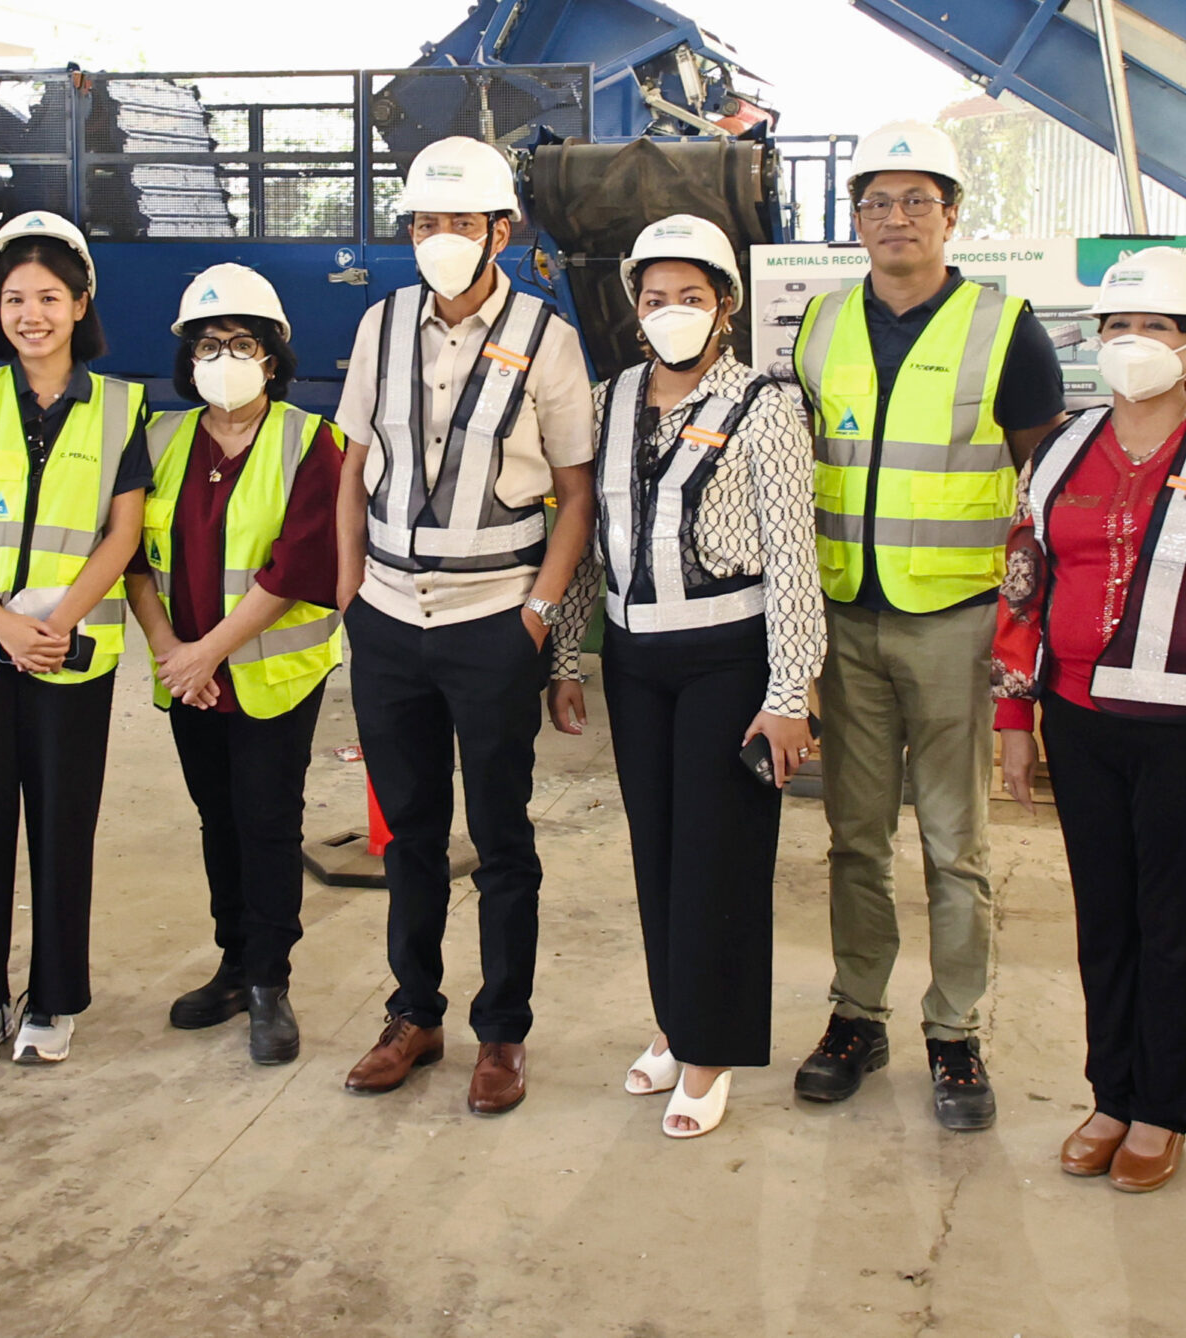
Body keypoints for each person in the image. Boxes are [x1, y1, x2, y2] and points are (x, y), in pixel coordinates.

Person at [992, 246, 1186, 1193]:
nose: (1135, 344)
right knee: (1104, 918)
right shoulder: (1059, 450)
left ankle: (1161, 1108)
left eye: (1159, 329)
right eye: (1120, 327)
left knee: (1171, 922)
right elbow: (1024, 582)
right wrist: (1015, 711)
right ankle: (1110, 1095)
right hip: (1083, 723)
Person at [789, 118, 1068, 1132]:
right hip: (843, 616)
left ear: (951, 216)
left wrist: (1025, 632)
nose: (894, 218)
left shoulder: (1004, 327)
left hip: (954, 620)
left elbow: (1047, 481)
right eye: (875, 202)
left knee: (955, 845)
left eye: (916, 201)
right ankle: (855, 1017)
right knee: (854, 839)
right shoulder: (819, 327)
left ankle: (955, 1033)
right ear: (854, 221)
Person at [333, 135, 596, 1116]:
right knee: (408, 836)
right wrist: (354, 596)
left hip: (493, 625)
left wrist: (537, 614)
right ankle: (414, 1014)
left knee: (499, 838)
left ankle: (502, 1032)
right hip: (390, 626)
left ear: (502, 230)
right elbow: (352, 468)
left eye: (460, 223)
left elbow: (575, 497)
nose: (439, 239)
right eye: (424, 223)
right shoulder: (381, 326)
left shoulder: (547, 337)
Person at [548, 216, 823, 1139]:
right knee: (658, 851)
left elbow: (793, 560)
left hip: (726, 660)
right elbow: (588, 536)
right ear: (634, 309)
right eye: (656, 299)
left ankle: (712, 1053)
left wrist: (788, 696)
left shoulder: (764, 408)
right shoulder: (608, 400)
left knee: (719, 858)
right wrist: (565, 658)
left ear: (727, 307)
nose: (673, 314)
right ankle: (676, 1021)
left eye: (692, 299)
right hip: (634, 658)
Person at [0, 212, 146, 1067]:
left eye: (49, 296)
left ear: (80, 303)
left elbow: (122, 537)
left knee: (62, 825)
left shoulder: (119, 404)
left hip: (70, 653)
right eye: (14, 298)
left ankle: (54, 1001)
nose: (32, 314)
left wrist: (53, 624)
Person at [129, 264, 345, 1068]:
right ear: (187, 359)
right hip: (187, 678)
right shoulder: (160, 440)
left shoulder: (310, 441)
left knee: (265, 821)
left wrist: (204, 653)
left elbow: (296, 567)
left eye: (242, 344)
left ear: (275, 356)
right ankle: (232, 963)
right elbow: (135, 561)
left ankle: (269, 982)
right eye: (209, 344)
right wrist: (169, 652)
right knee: (216, 820)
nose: (224, 357)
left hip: (269, 677)